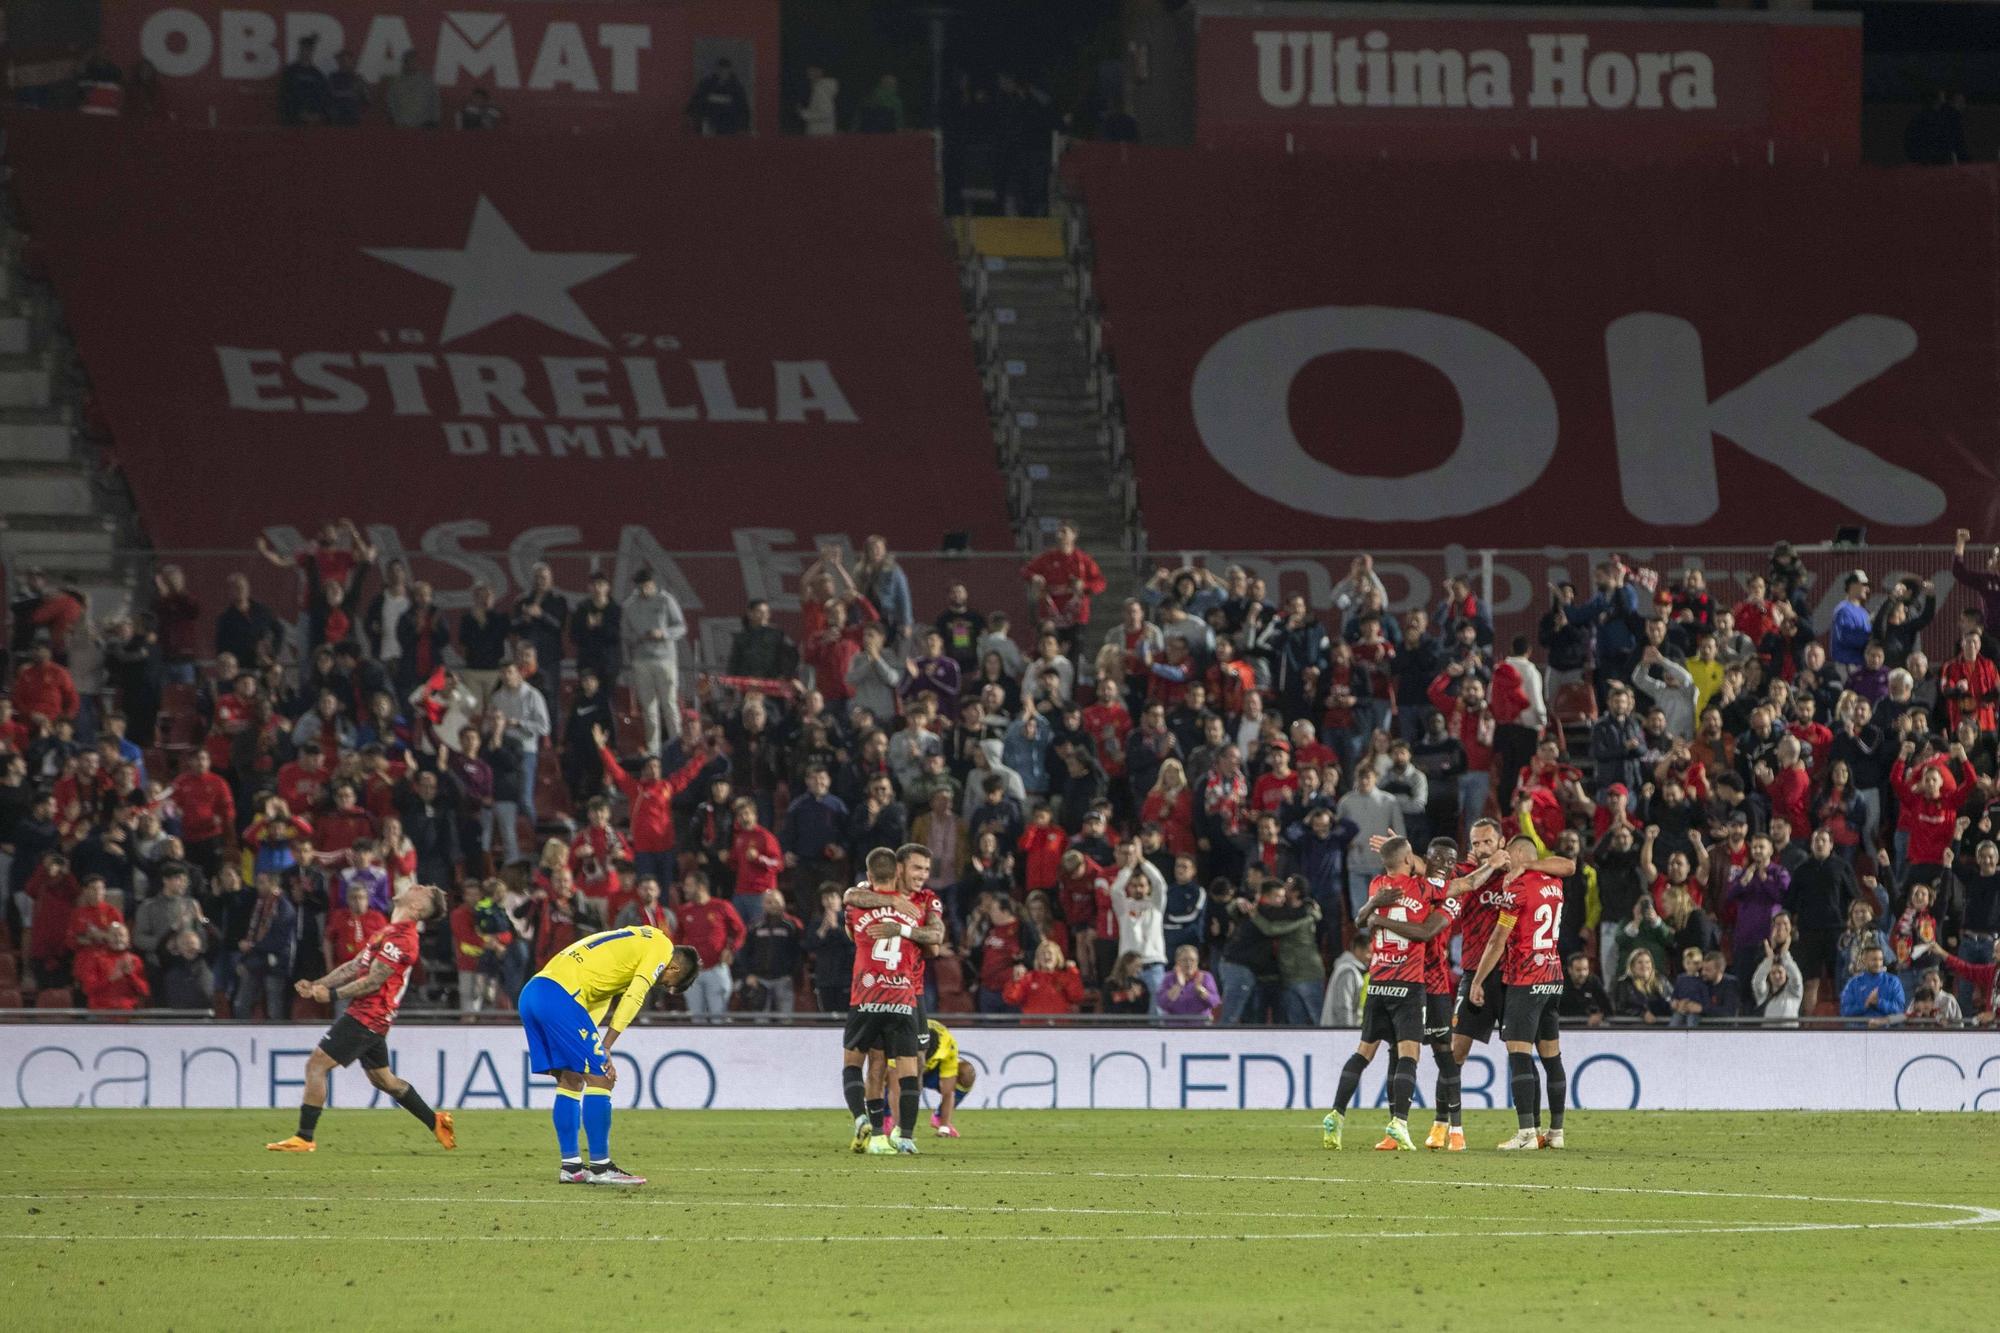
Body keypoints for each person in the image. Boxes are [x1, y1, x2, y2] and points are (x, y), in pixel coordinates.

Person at [266, 882, 453, 1153]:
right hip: (372, 1016)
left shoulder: (404, 939)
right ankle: (436, 1122)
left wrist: (331, 996)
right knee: (384, 1081)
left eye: (421, 889)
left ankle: (304, 1138)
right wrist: (318, 984)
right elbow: (355, 966)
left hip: (368, 1015)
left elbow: (374, 981)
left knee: (316, 1065)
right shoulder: (388, 930)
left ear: (416, 907)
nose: (414, 885)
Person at [518, 922, 700, 1184]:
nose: (660, 983)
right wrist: (607, 1046)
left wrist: (600, 1049)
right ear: (674, 967)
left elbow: (596, 1001)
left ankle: (571, 1167)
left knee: (571, 1078)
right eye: (667, 982)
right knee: (602, 1079)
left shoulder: (635, 942)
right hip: (560, 996)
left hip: (535, 992)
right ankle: (602, 1167)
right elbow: (636, 995)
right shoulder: (662, 947)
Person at [1325, 838, 1444, 1151]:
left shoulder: (1377, 886)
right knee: (1409, 1054)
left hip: (1378, 982)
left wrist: (1375, 905)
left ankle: (1336, 1114)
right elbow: (1446, 881)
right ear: (1408, 859)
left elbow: (1360, 920)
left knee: (1364, 1052)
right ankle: (1399, 1122)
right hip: (1408, 983)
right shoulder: (1422, 889)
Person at [1466, 835, 1569, 1150]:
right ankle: (1555, 1133)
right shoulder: (1554, 883)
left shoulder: (1518, 888)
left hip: (1526, 978)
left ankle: (1526, 1133)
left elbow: (1499, 938)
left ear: (1520, 855)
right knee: (1551, 1057)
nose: (1505, 859)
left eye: (1508, 853)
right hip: (1552, 976)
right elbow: (1568, 865)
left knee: (1519, 1054)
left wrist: (1477, 980)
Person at [841, 845, 945, 1155]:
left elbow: (937, 940)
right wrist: (895, 903)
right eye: (917, 869)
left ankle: (894, 1129)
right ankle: (885, 1131)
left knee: (914, 1061)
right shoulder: (874, 894)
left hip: (907, 991)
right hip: (900, 993)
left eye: (926, 870)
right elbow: (851, 894)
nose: (922, 876)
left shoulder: (927, 899)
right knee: (878, 1066)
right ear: (899, 869)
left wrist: (901, 928)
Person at [623, 568, 687, 756]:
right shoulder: (629, 606)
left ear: (654, 584)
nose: (645, 590)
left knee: (669, 704)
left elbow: (681, 626)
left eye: (648, 586)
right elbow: (625, 634)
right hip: (641, 660)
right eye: (641, 587)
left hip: (665, 659)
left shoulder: (665, 600)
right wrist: (638, 638)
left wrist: (664, 633)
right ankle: (654, 750)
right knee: (648, 708)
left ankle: (677, 745)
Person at [919, 1017, 975, 1137]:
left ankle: (940, 1118)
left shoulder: (947, 1044)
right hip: (905, 1063)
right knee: (886, 1078)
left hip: (934, 1071)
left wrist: (943, 1128)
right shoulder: (903, 1036)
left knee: (967, 1073)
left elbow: (948, 1092)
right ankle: (886, 1117)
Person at [1839, 943, 1907, 1026]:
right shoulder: (1853, 983)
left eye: (1880, 959)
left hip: (1887, 1033)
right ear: (1864, 960)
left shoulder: (1893, 981)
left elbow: (1900, 1010)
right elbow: (1844, 1011)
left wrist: (1879, 1003)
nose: (1878, 963)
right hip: (1859, 1033)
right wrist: (1864, 1005)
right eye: (1874, 960)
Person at [1155, 943, 1221, 1022]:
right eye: (1184, 960)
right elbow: (1161, 1003)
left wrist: (1201, 990)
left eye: (1192, 960)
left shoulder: (1206, 977)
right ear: (1177, 961)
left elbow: (1215, 1002)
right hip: (1174, 1025)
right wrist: (1178, 985)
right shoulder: (1169, 977)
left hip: (1200, 1025)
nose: (1189, 964)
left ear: (1197, 962)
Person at [687, 57, 750, 135]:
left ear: (729, 70)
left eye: (725, 69)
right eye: (720, 69)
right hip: (709, 122)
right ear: (717, 70)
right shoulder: (706, 84)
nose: (723, 72)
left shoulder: (736, 87)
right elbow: (697, 99)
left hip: (729, 124)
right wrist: (690, 114)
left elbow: (743, 107)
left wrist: (744, 127)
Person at [1558, 952, 1613, 1025]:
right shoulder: (1559, 983)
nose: (1582, 973)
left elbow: (1608, 1007)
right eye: (1578, 970)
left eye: (1585, 969)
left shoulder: (1593, 981)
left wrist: (1600, 1015)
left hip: (1588, 1027)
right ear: (1570, 970)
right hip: (1563, 1026)